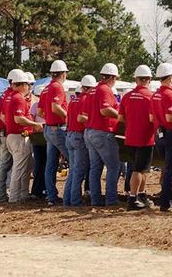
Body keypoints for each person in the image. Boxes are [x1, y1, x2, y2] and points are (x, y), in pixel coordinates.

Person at [80, 63, 121, 207]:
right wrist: (120, 116)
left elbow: (85, 114)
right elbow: (105, 110)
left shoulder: (93, 90)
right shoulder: (104, 90)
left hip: (90, 132)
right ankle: (111, 199)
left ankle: (96, 200)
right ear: (113, 77)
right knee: (114, 167)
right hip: (102, 132)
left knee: (95, 168)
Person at [120, 65, 156, 210]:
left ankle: (140, 194)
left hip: (130, 137)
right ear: (149, 79)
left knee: (143, 168)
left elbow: (120, 118)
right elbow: (152, 118)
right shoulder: (150, 96)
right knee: (139, 169)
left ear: (136, 79)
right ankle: (133, 198)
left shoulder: (127, 96)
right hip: (145, 138)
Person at [151, 62, 172, 213]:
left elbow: (152, 118)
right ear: (171, 77)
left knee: (170, 169)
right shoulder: (170, 95)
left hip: (160, 135)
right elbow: (170, 117)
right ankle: (166, 203)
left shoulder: (155, 95)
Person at [7, 72, 42, 203]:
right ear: (22, 85)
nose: (29, 87)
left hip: (15, 136)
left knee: (23, 167)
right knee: (19, 168)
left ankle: (22, 194)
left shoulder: (13, 97)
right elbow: (19, 119)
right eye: (27, 84)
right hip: (18, 136)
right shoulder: (18, 98)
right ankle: (15, 197)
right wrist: (35, 124)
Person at [39, 59, 70, 205]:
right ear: (63, 74)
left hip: (49, 128)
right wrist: (67, 117)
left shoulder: (46, 88)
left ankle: (51, 195)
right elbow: (55, 107)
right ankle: (70, 196)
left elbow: (40, 111)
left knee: (50, 164)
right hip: (57, 128)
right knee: (74, 161)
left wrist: (50, 120)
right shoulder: (57, 87)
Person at [0, 68, 24, 204]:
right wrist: (12, 129)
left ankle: (1, 194)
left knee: (5, 165)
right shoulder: (11, 96)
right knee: (7, 164)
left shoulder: (5, 94)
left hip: (3, 132)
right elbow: (4, 117)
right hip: (7, 133)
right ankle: (2, 195)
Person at [64, 76, 94, 207]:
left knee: (73, 170)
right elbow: (81, 118)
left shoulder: (74, 100)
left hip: (70, 135)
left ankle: (68, 199)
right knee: (79, 171)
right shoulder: (86, 99)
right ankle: (75, 200)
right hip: (78, 136)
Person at [29, 90, 48, 199]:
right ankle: (41, 190)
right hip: (41, 138)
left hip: (37, 138)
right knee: (45, 164)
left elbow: (32, 121)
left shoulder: (35, 106)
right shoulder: (38, 106)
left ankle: (37, 190)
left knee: (40, 164)